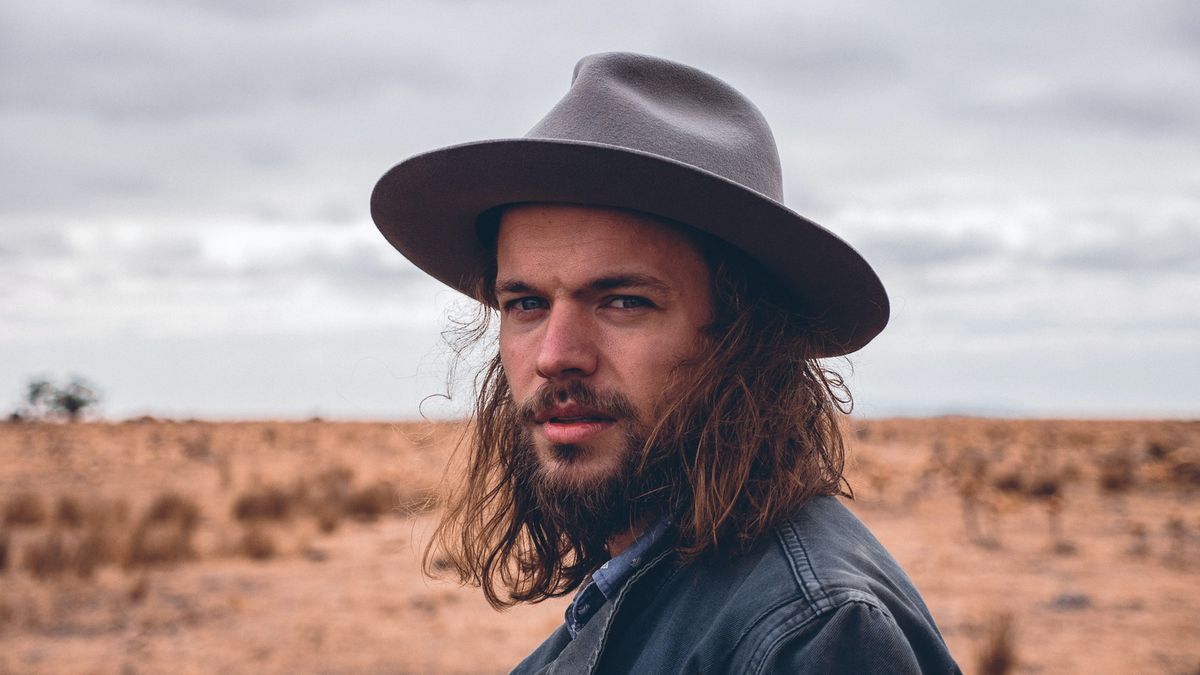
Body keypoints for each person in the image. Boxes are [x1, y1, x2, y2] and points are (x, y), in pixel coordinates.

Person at [371, 52, 959, 674]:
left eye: (624, 301)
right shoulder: (647, 577)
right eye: (526, 303)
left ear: (745, 337)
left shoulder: (814, 635)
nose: (554, 356)